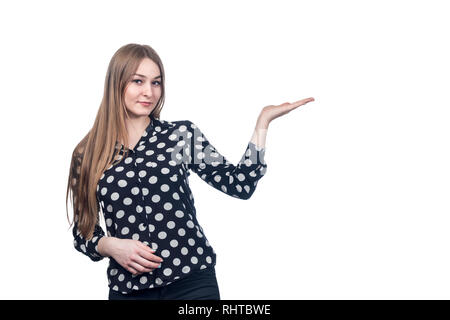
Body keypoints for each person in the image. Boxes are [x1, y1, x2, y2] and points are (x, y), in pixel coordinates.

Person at [66, 43, 315, 300]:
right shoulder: (87, 153)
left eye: (156, 83)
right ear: (116, 84)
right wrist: (110, 245)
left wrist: (263, 122)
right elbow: (83, 231)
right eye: (138, 81)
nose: (148, 92)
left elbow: (240, 184)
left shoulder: (180, 136)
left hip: (192, 283)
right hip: (128, 290)